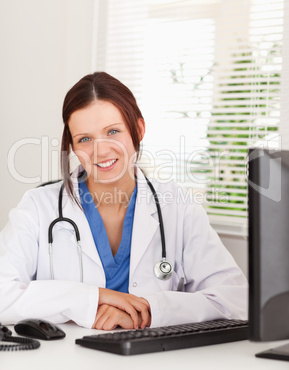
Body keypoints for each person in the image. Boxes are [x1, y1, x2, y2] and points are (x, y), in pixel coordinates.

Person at [0, 72, 247, 330]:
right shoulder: (38, 208)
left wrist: (148, 311)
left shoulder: (178, 207)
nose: (101, 150)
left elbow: (236, 299)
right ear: (72, 146)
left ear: (138, 129)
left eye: (113, 131)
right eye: (85, 139)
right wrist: (95, 298)